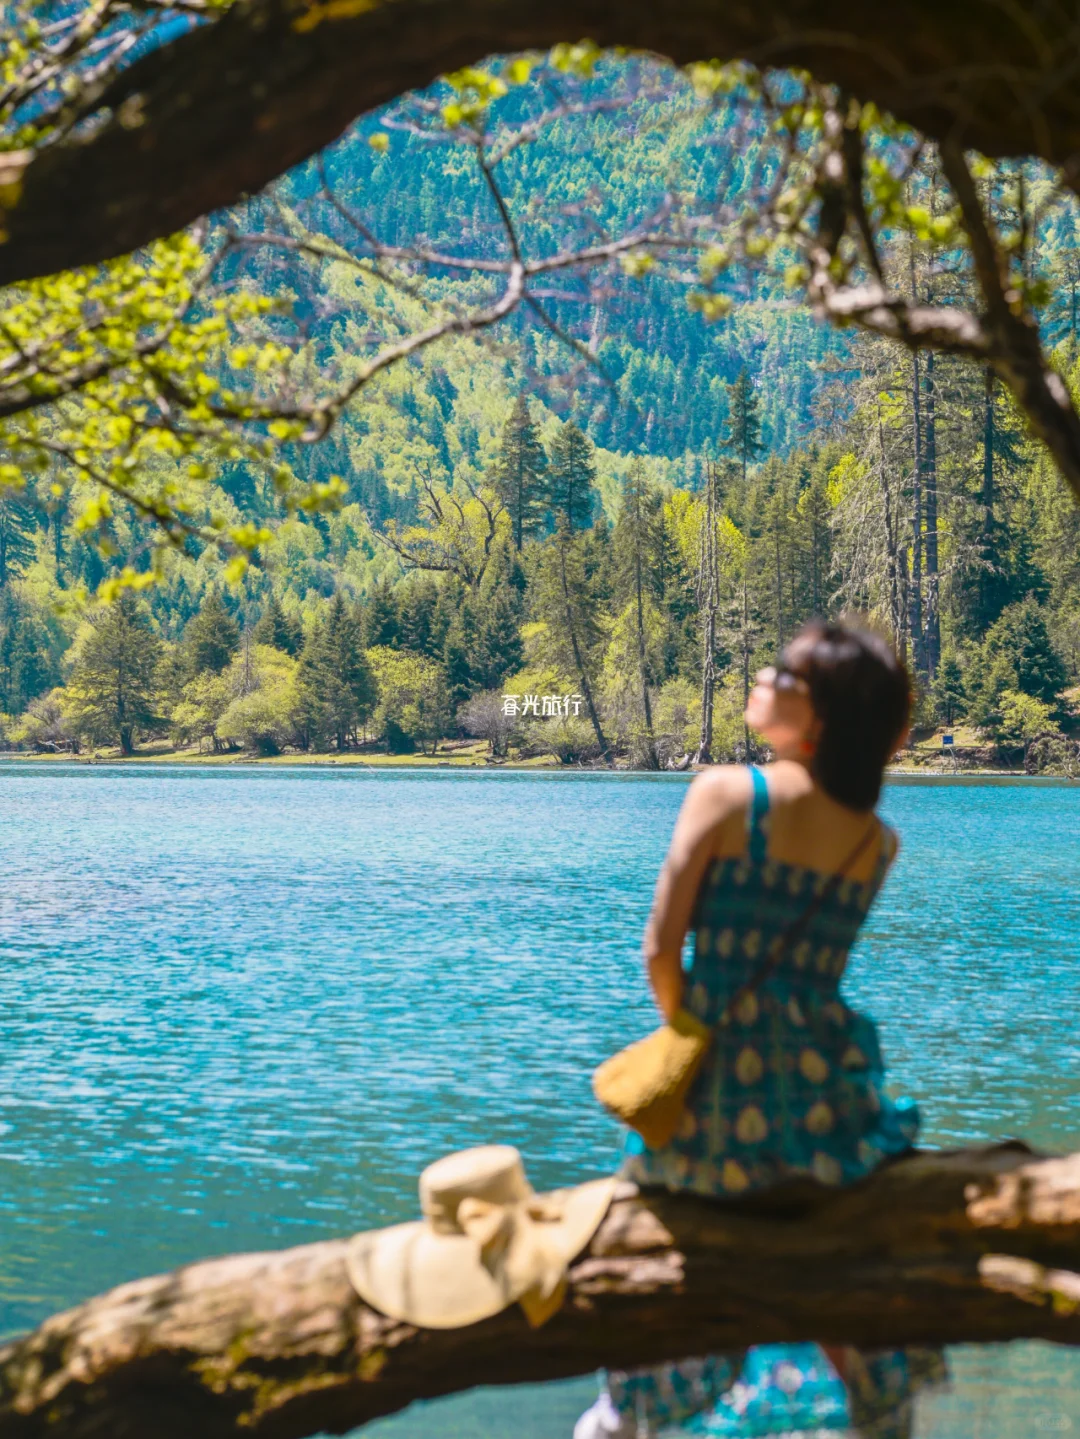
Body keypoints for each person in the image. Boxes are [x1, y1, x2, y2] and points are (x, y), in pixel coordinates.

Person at [576, 619, 950, 1439]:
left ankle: (623, 1420)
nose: (762, 678)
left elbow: (660, 951)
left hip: (718, 1098)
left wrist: (694, 1039)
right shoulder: (875, 842)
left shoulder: (725, 794)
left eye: (783, 673)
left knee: (667, 1259)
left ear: (821, 716)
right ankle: (881, 1414)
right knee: (825, 1265)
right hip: (825, 1094)